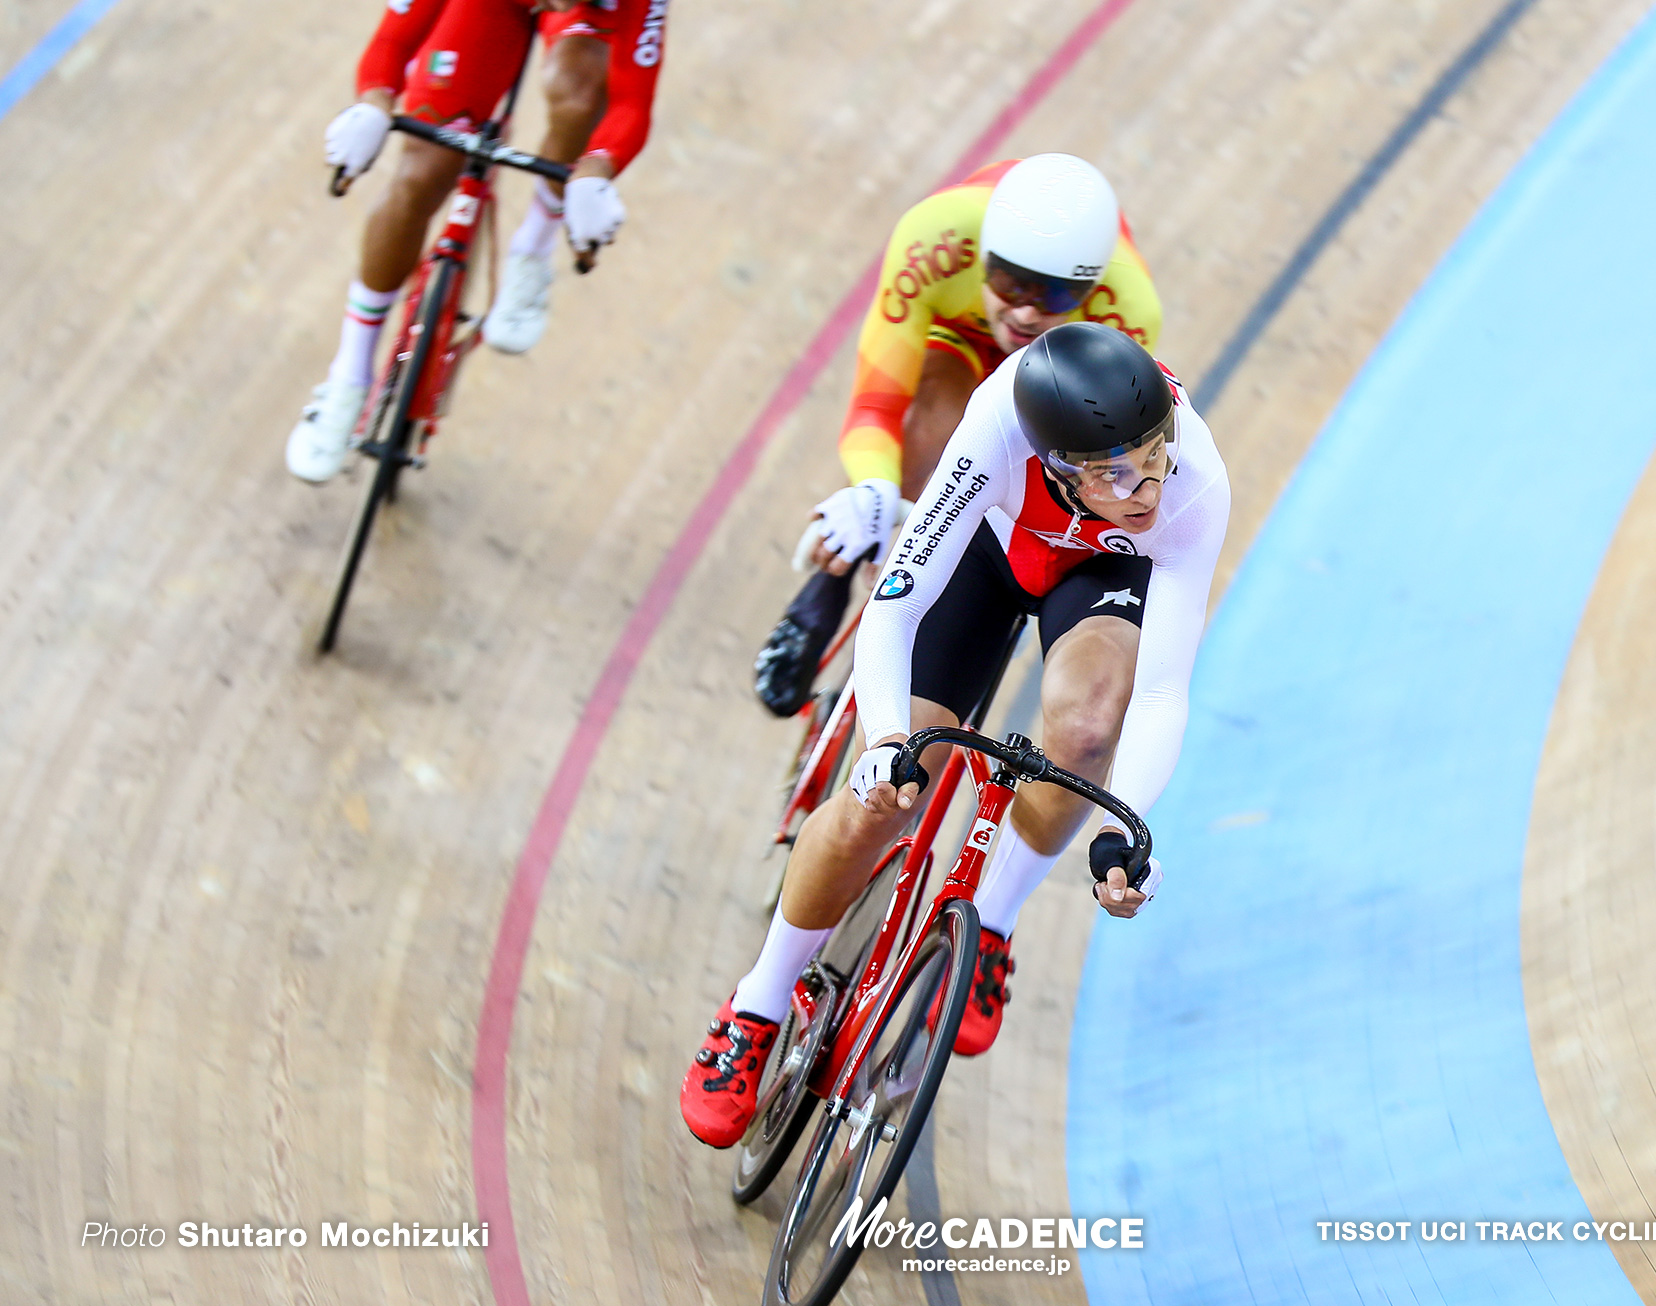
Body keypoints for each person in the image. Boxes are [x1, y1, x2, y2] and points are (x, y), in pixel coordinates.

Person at [682, 322, 1229, 1148]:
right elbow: (895, 609)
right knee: (884, 798)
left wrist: (1128, 827)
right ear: (1055, 464)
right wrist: (883, 743)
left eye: (1153, 456)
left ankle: (994, 923)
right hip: (987, 547)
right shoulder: (995, 433)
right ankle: (756, 1004)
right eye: (1116, 473)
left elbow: (1160, 691)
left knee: (1085, 731)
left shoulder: (1191, 483)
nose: (1146, 486)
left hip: (1098, 572)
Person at [751, 153, 1162, 715]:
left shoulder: (1127, 313)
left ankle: (887, 665)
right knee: (934, 426)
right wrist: (873, 490)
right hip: (958, 332)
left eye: (1054, 297)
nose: (1023, 312)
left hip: (1052, 370)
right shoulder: (934, 241)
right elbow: (877, 405)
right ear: (983, 257)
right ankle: (833, 582)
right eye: (1009, 283)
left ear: (1088, 290)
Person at [285, 0, 670, 482]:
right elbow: (394, 39)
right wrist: (373, 103)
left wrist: (593, 175)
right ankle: (349, 374)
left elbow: (633, 100)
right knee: (420, 174)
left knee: (581, 91)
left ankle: (533, 244)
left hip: (589, 28)